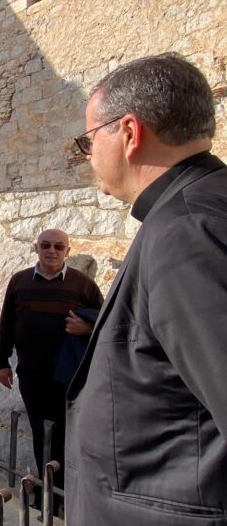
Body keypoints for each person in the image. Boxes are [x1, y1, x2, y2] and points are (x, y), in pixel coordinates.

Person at [66, 53, 227, 525]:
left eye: (89, 140)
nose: (88, 155)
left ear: (130, 135)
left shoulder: (188, 232)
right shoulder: (202, 207)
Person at [0, 229, 103, 509]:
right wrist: (2, 361)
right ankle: (46, 496)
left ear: (67, 251)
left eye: (58, 246)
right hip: (31, 373)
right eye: (45, 245)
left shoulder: (83, 285)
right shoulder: (19, 281)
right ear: (37, 248)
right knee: (41, 432)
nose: (51, 251)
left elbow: (108, 322)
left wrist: (88, 327)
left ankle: (63, 497)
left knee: (66, 434)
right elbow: (6, 322)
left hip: (68, 376)